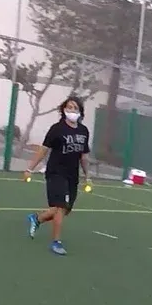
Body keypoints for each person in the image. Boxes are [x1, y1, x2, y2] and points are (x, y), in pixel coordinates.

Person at [25, 95, 91, 257]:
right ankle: (56, 242)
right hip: (56, 173)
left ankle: (37, 219)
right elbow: (43, 149)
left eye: (75, 108)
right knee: (60, 207)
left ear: (80, 112)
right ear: (63, 109)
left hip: (72, 175)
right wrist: (30, 168)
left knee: (64, 210)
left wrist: (87, 176)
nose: (72, 111)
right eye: (69, 107)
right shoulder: (57, 129)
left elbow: (84, 156)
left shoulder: (84, 131)